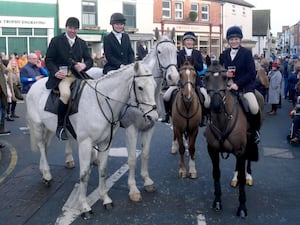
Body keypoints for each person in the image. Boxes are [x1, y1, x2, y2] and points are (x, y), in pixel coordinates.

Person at [45, 17, 93, 141]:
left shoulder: (81, 43)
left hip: (78, 75)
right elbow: (48, 60)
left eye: (75, 28)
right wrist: (55, 72)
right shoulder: (56, 41)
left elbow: (89, 60)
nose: (72, 30)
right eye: (70, 28)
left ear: (78, 29)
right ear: (66, 27)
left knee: (93, 91)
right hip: (63, 76)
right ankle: (61, 125)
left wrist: (84, 65)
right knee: (66, 94)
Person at [161, 31, 210, 125]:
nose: (189, 42)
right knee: (166, 96)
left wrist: (192, 62)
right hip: (181, 81)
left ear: (194, 42)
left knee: (205, 98)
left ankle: (204, 116)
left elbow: (200, 68)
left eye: (191, 40)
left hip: (195, 81)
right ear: (184, 42)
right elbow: (177, 66)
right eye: (187, 40)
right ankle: (167, 115)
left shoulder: (197, 53)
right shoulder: (180, 53)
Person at [222, 26, 261, 144]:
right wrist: (225, 73)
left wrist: (238, 84)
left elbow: (251, 73)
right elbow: (219, 70)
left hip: (244, 86)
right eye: (231, 39)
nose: (234, 41)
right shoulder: (224, 53)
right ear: (228, 41)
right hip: (228, 84)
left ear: (240, 40)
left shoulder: (247, 53)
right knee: (214, 100)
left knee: (254, 107)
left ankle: (254, 131)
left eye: (236, 39)